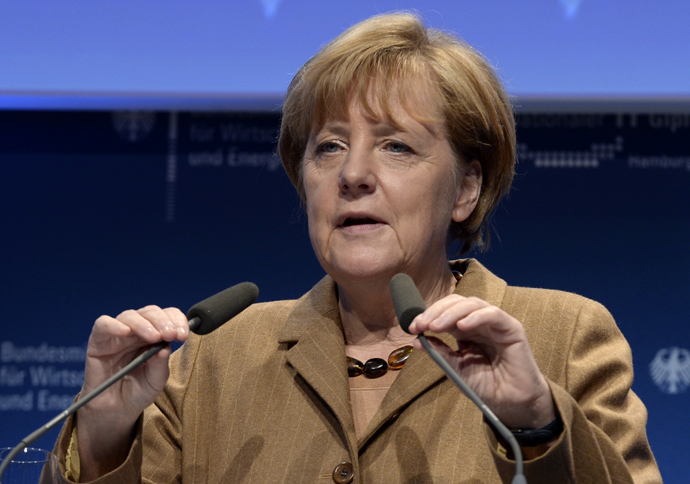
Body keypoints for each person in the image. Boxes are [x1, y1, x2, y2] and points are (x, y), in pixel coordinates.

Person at [54, 12, 661, 484]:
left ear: (466, 188)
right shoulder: (213, 360)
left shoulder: (564, 337)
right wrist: (103, 433)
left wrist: (537, 424)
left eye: (396, 146)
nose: (354, 174)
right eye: (329, 147)